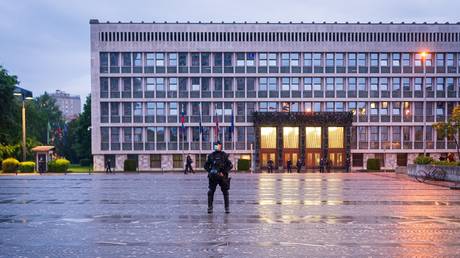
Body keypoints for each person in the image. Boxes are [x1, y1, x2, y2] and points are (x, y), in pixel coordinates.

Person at [204, 141, 233, 214]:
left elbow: (230, 165)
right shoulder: (211, 155)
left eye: (218, 146)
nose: (217, 147)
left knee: (225, 192)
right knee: (210, 192)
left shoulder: (224, 155)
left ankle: (227, 208)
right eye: (216, 146)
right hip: (213, 177)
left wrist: (224, 172)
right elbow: (206, 165)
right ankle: (210, 207)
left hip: (222, 177)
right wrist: (211, 171)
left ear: (221, 146)